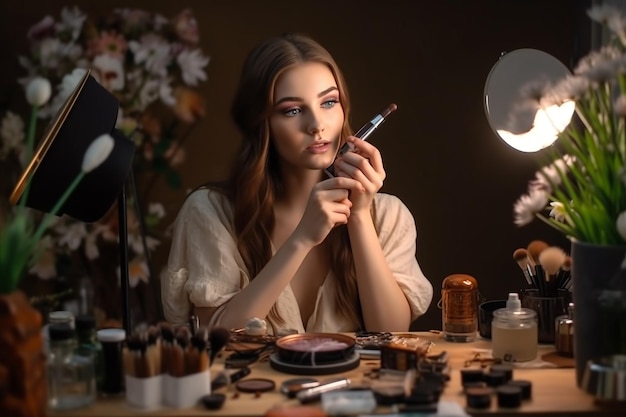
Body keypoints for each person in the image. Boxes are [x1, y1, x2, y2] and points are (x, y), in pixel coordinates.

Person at [162, 33, 433, 335]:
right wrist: (302, 238)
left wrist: (359, 216)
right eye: (293, 110)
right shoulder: (211, 211)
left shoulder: (387, 216)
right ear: (261, 122)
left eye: (329, 102)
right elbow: (218, 339)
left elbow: (391, 333)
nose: (316, 124)